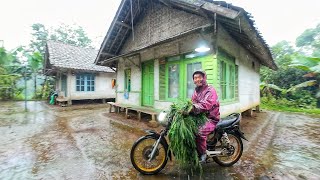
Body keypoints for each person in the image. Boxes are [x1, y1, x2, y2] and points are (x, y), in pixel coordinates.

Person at [190, 70, 220, 163]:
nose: (197, 79)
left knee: (199, 131)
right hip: (200, 116)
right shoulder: (196, 91)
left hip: (211, 118)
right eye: (195, 78)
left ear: (204, 78)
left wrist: (193, 108)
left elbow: (207, 104)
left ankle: (203, 153)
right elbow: (192, 102)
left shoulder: (210, 90)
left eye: (199, 77)